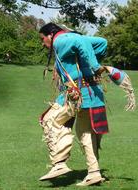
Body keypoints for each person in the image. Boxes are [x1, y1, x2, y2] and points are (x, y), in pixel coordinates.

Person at [39, 22, 109, 186]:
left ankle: (59, 163)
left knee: (49, 119)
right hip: (91, 92)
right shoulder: (69, 40)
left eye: (43, 39)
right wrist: (84, 56)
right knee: (85, 133)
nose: (43, 44)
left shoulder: (60, 40)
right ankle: (94, 173)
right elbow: (102, 43)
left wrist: (94, 65)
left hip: (77, 93)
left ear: (50, 34)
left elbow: (79, 42)